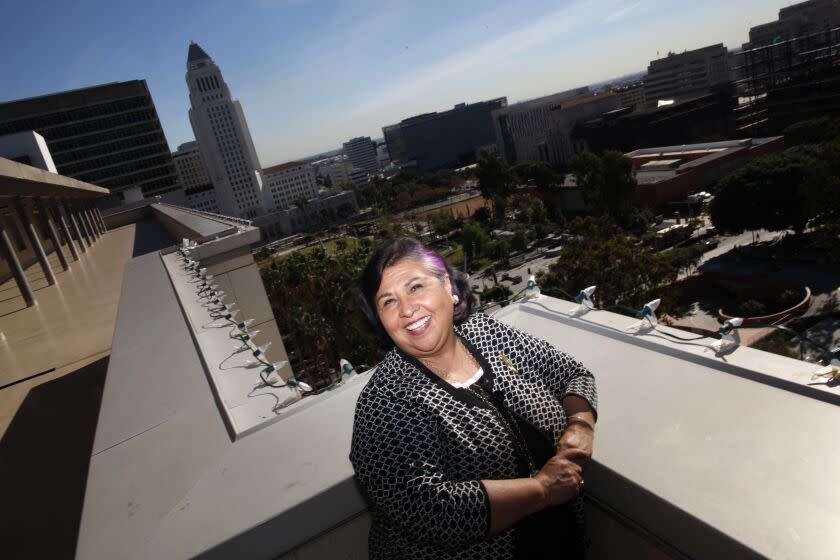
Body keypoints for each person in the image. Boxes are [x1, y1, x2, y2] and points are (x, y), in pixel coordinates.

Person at [350, 238, 597, 560]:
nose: (407, 310)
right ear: (380, 321)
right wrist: (543, 489)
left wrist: (581, 423)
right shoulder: (385, 403)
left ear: (449, 287)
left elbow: (570, 373)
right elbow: (432, 513)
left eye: (415, 287)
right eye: (388, 302)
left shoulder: (483, 332)